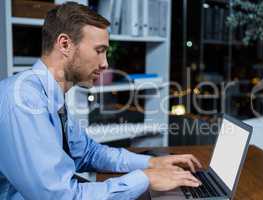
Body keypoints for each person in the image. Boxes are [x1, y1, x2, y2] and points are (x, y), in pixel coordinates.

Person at [0, 2, 202, 199]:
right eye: (99, 50)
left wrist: (152, 163)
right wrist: (145, 179)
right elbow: (60, 196)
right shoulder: (24, 101)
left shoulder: (49, 94)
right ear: (64, 44)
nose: (105, 63)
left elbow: (87, 153)